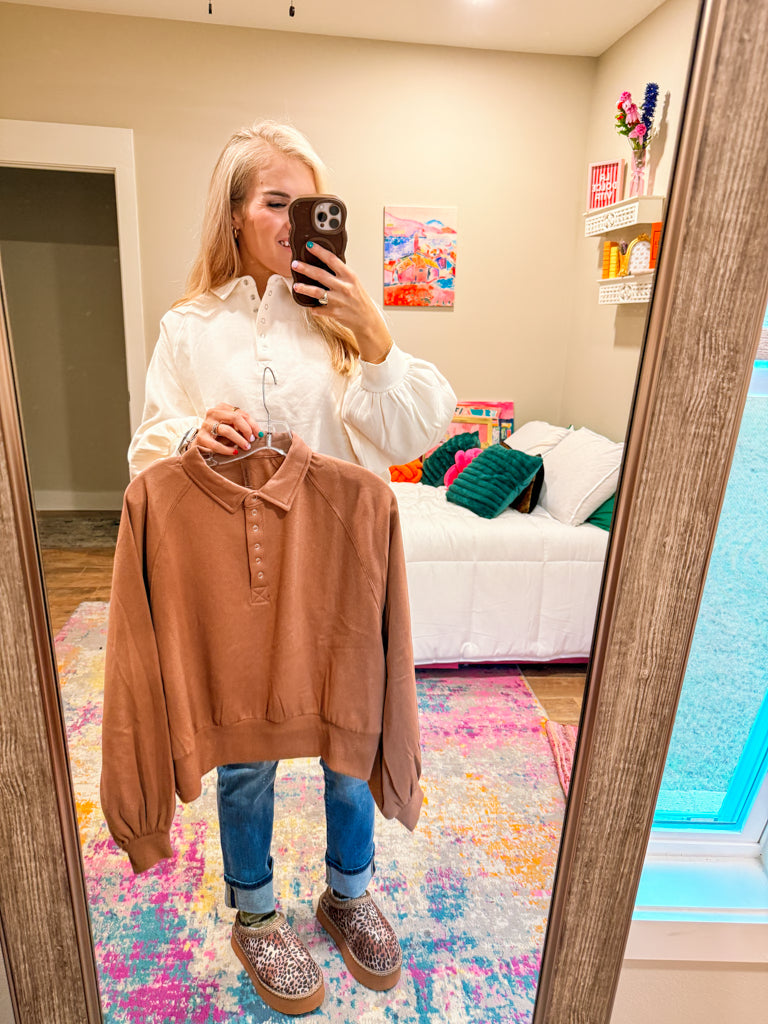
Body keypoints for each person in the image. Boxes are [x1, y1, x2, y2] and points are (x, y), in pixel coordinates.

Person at [127, 120, 456, 1014]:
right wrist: (192, 433)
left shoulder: (338, 319)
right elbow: (146, 451)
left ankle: (348, 893)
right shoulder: (190, 328)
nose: (295, 222)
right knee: (247, 752)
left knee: (350, 740)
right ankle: (256, 911)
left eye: (311, 206)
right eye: (277, 202)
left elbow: (416, 432)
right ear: (236, 212)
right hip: (237, 573)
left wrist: (374, 334)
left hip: (337, 573)